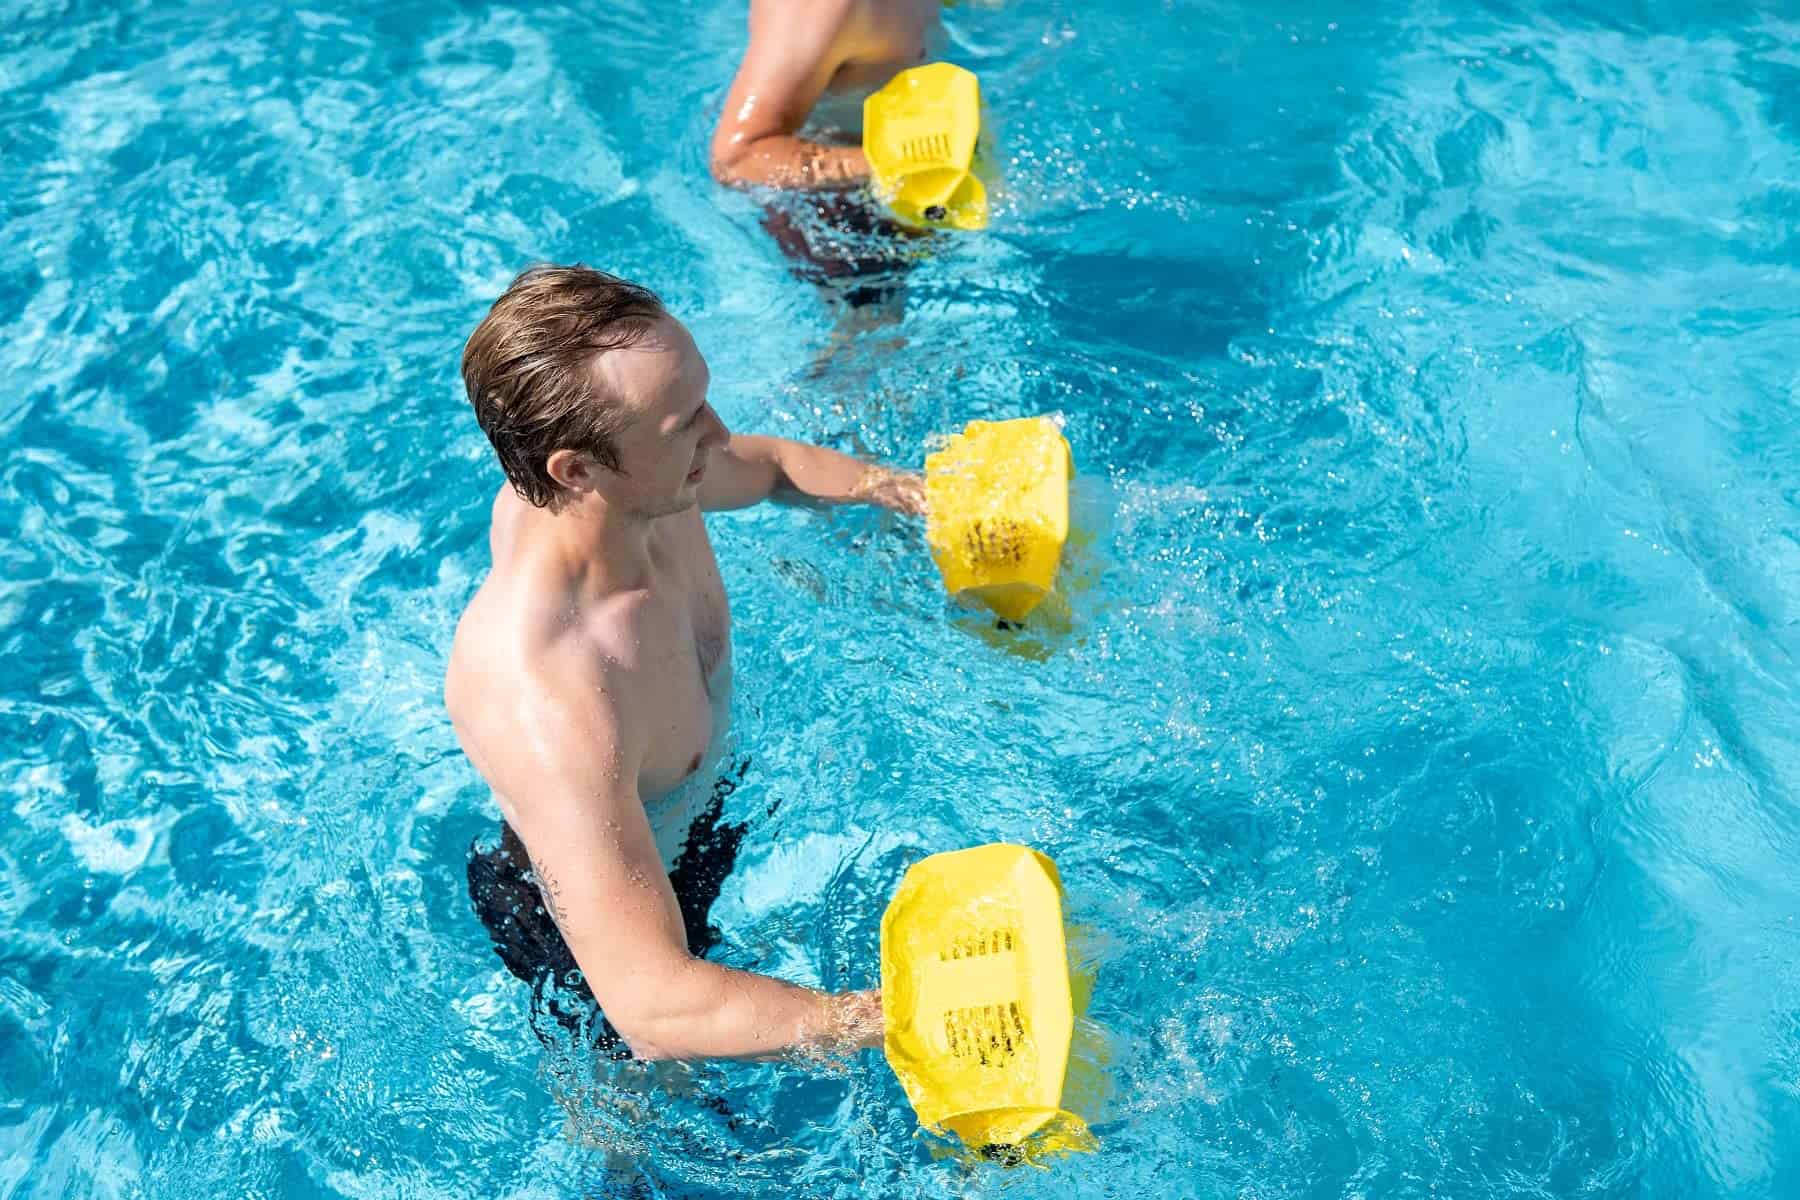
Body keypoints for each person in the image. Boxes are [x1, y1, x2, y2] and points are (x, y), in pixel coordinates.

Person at [447, 264, 922, 1061]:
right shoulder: (547, 692)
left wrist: (911, 492)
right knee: (645, 1142)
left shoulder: (659, 481)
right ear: (577, 469)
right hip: (593, 926)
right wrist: (902, 1017)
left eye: (702, 396)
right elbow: (654, 1006)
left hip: (692, 816)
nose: (717, 430)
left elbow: (768, 467)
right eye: (683, 422)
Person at [710, 0, 947, 315]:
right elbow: (738, 157)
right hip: (832, 210)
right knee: (875, 348)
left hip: (905, 174)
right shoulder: (816, 8)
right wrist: (897, 163)